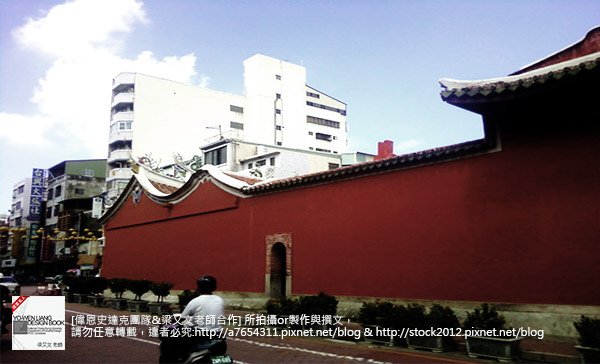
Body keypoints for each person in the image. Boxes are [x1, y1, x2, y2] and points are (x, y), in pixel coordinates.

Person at [159, 275, 226, 363]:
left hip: (200, 337)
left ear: (199, 287)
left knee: (173, 342)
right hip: (218, 336)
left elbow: (182, 318)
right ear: (214, 287)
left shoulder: (195, 301)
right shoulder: (219, 300)